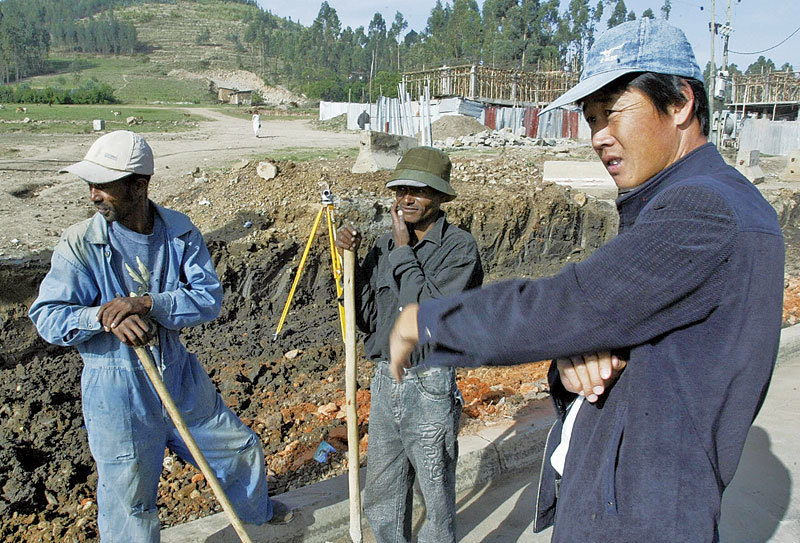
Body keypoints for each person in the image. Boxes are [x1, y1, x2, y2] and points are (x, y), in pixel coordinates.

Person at [389, 19, 784, 543]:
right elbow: (624, 327)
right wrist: (581, 351)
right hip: (616, 501)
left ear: (681, 104)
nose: (599, 136)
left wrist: (429, 322)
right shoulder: (685, 202)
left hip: (637, 521)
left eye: (613, 112)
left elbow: (572, 304)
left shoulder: (704, 207)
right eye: (591, 118)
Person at [29, 130, 291, 542]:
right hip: (117, 387)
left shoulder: (179, 231)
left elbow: (207, 299)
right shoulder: (80, 244)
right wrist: (102, 317)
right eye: (90, 185)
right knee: (130, 500)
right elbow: (47, 316)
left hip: (178, 373)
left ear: (138, 186)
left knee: (237, 449)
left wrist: (148, 304)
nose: (94, 195)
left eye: (104, 185)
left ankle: (257, 522)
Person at [335, 146, 483, 543]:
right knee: (383, 493)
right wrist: (347, 263)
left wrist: (403, 251)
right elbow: (365, 317)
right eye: (401, 191)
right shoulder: (384, 246)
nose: (407, 199)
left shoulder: (459, 250)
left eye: (419, 191)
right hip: (386, 381)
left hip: (430, 382)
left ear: (440, 197)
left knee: (434, 495)